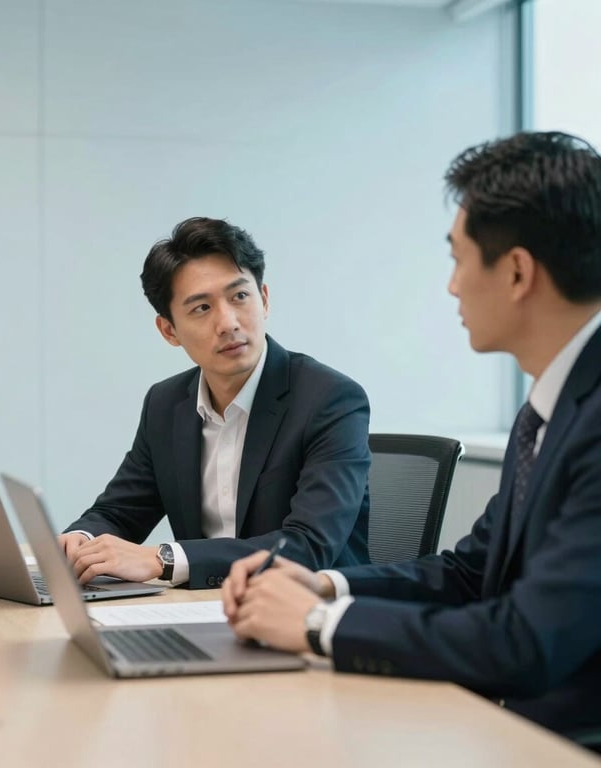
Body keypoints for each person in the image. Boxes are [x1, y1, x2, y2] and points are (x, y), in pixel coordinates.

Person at [221, 131, 601, 737]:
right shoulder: (553, 410)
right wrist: (323, 583)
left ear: (518, 271)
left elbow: (527, 642)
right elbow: (469, 575)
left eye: (457, 258)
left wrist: (322, 625)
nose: (451, 285)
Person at [59, 216, 371, 589]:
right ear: (169, 330)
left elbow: (307, 547)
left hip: (307, 616)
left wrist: (164, 559)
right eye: (201, 309)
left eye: (240, 296)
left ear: (265, 299)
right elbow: (119, 511)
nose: (228, 323)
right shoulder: (166, 403)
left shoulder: (329, 399)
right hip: (202, 609)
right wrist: (82, 540)